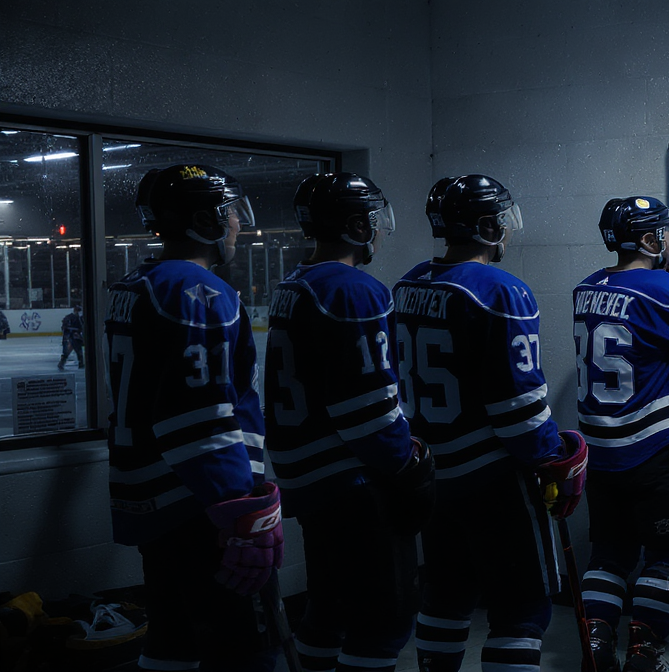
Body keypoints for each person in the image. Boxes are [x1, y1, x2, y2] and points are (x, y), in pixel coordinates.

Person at [395, 174, 587, 672]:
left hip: (433, 474)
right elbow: (518, 405)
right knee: (522, 609)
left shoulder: (408, 283)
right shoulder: (501, 289)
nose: (507, 229)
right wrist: (552, 457)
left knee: (446, 596)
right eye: (501, 219)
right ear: (485, 226)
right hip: (492, 478)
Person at [105, 164, 279, 671]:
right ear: (204, 220)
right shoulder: (198, 291)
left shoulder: (136, 282)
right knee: (244, 652)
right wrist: (238, 510)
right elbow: (199, 417)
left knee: (172, 644)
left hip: (152, 497)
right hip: (199, 504)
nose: (237, 224)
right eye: (229, 214)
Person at [265, 172, 433, 672]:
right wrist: (406, 465)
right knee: (384, 623)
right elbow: (368, 407)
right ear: (358, 226)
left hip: (311, 481)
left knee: (329, 612)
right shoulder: (354, 288)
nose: (380, 229)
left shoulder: (294, 284)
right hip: (351, 482)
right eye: (373, 219)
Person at [574, 196, 669, 672]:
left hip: (601, 449)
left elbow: (635, 314)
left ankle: (595, 646)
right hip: (654, 445)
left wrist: (666, 285)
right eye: (664, 233)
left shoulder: (585, 288)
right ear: (649, 240)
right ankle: (644, 655)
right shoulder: (666, 290)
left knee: (609, 553)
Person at [58, 303, 85, 369]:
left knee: (70, 350)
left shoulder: (73, 318)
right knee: (76, 350)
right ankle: (80, 363)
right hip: (72, 336)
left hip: (70, 336)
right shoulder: (77, 318)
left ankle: (62, 363)